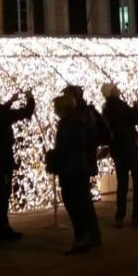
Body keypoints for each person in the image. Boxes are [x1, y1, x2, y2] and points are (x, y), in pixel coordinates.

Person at [46, 94, 102, 254]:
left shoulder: (66, 125)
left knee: (74, 205)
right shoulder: (81, 122)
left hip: (70, 170)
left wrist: (52, 158)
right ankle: (93, 236)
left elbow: (63, 150)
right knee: (85, 204)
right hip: (81, 168)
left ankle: (81, 239)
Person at [0, 88, 34, 243]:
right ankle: (1, 230)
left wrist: (11, 101)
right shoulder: (2, 116)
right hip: (2, 162)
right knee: (1, 196)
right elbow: (25, 112)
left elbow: (1, 111)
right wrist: (30, 98)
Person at [101, 84, 138, 229]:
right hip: (129, 148)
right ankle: (137, 217)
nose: (118, 89)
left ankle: (119, 217)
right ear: (112, 92)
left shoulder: (106, 108)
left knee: (122, 184)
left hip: (117, 150)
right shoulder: (119, 105)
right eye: (115, 88)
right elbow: (136, 119)